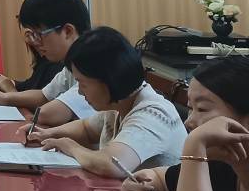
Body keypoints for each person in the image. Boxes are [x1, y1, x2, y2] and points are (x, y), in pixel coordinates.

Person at [26, 27, 185, 177]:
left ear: (108, 80)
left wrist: (70, 146)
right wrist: (47, 134)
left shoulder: (153, 115)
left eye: (83, 84)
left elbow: (113, 165)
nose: (80, 91)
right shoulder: (120, 104)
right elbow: (86, 129)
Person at [123, 57, 249, 191]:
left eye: (202, 109)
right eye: (191, 108)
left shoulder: (203, 149)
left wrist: (195, 145)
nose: (189, 122)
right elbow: (159, 180)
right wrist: (141, 189)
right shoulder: (225, 163)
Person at [0, 0, 94, 125]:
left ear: (67, 31)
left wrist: (10, 96)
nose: (35, 42)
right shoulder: (71, 64)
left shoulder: (92, 64)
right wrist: (5, 97)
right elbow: (44, 95)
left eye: (39, 34)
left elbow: (46, 115)